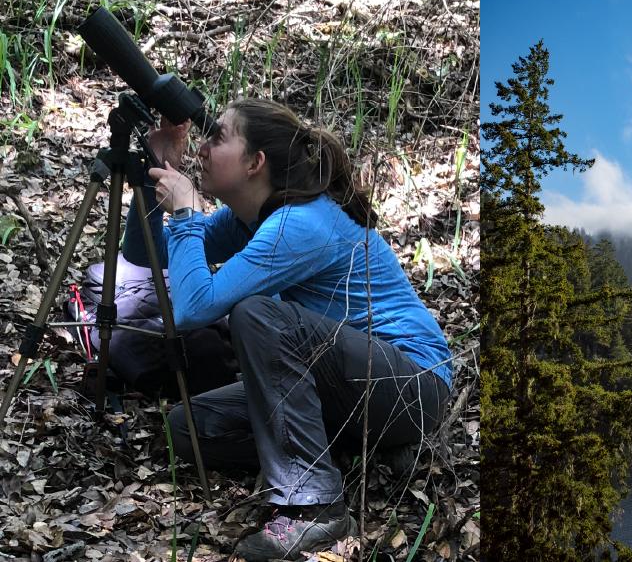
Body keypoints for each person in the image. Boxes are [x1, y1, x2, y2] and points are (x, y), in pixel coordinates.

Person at [132, 99, 453, 560]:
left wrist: (184, 213)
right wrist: (154, 172)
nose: (202, 148)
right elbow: (150, 254)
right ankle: (345, 453)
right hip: (346, 385)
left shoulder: (299, 224)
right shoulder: (253, 218)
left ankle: (315, 509)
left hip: (411, 381)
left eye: (218, 137)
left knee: (258, 315)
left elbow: (192, 308)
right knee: (187, 429)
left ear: (255, 163)